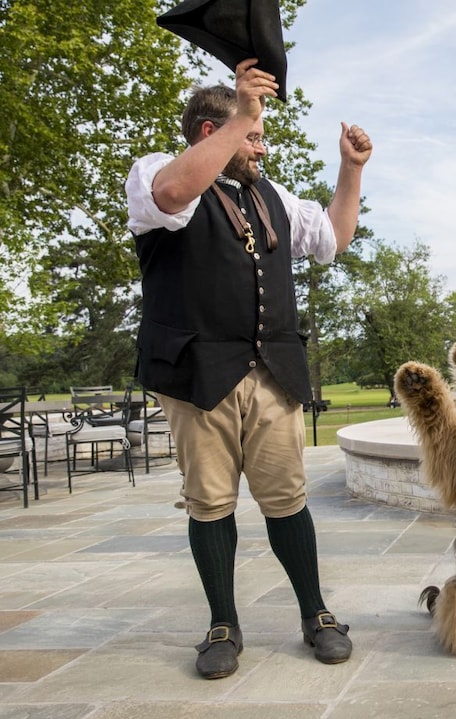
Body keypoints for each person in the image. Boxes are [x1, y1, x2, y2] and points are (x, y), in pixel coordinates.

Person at [125, 58, 372, 679]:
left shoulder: (274, 195)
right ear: (214, 131)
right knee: (210, 503)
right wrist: (243, 114)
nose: (261, 145)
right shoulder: (156, 171)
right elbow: (176, 196)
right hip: (196, 373)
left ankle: (316, 613)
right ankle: (222, 624)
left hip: (271, 372)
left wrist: (351, 170)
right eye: (252, 134)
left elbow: (334, 238)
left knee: (287, 499)